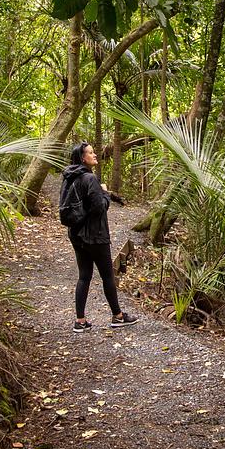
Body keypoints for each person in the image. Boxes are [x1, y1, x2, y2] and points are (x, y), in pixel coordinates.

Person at [60, 142, 139, 332]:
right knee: (107, 276)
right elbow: (99, 207)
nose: (95, 155)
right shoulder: (89, 178)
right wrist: (104, 193)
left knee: (84, 276)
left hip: (77, 235)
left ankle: (80, 321)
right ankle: (118, 317)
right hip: (95, 236)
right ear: (82, 158)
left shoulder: (69, 178)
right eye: (91, 153)